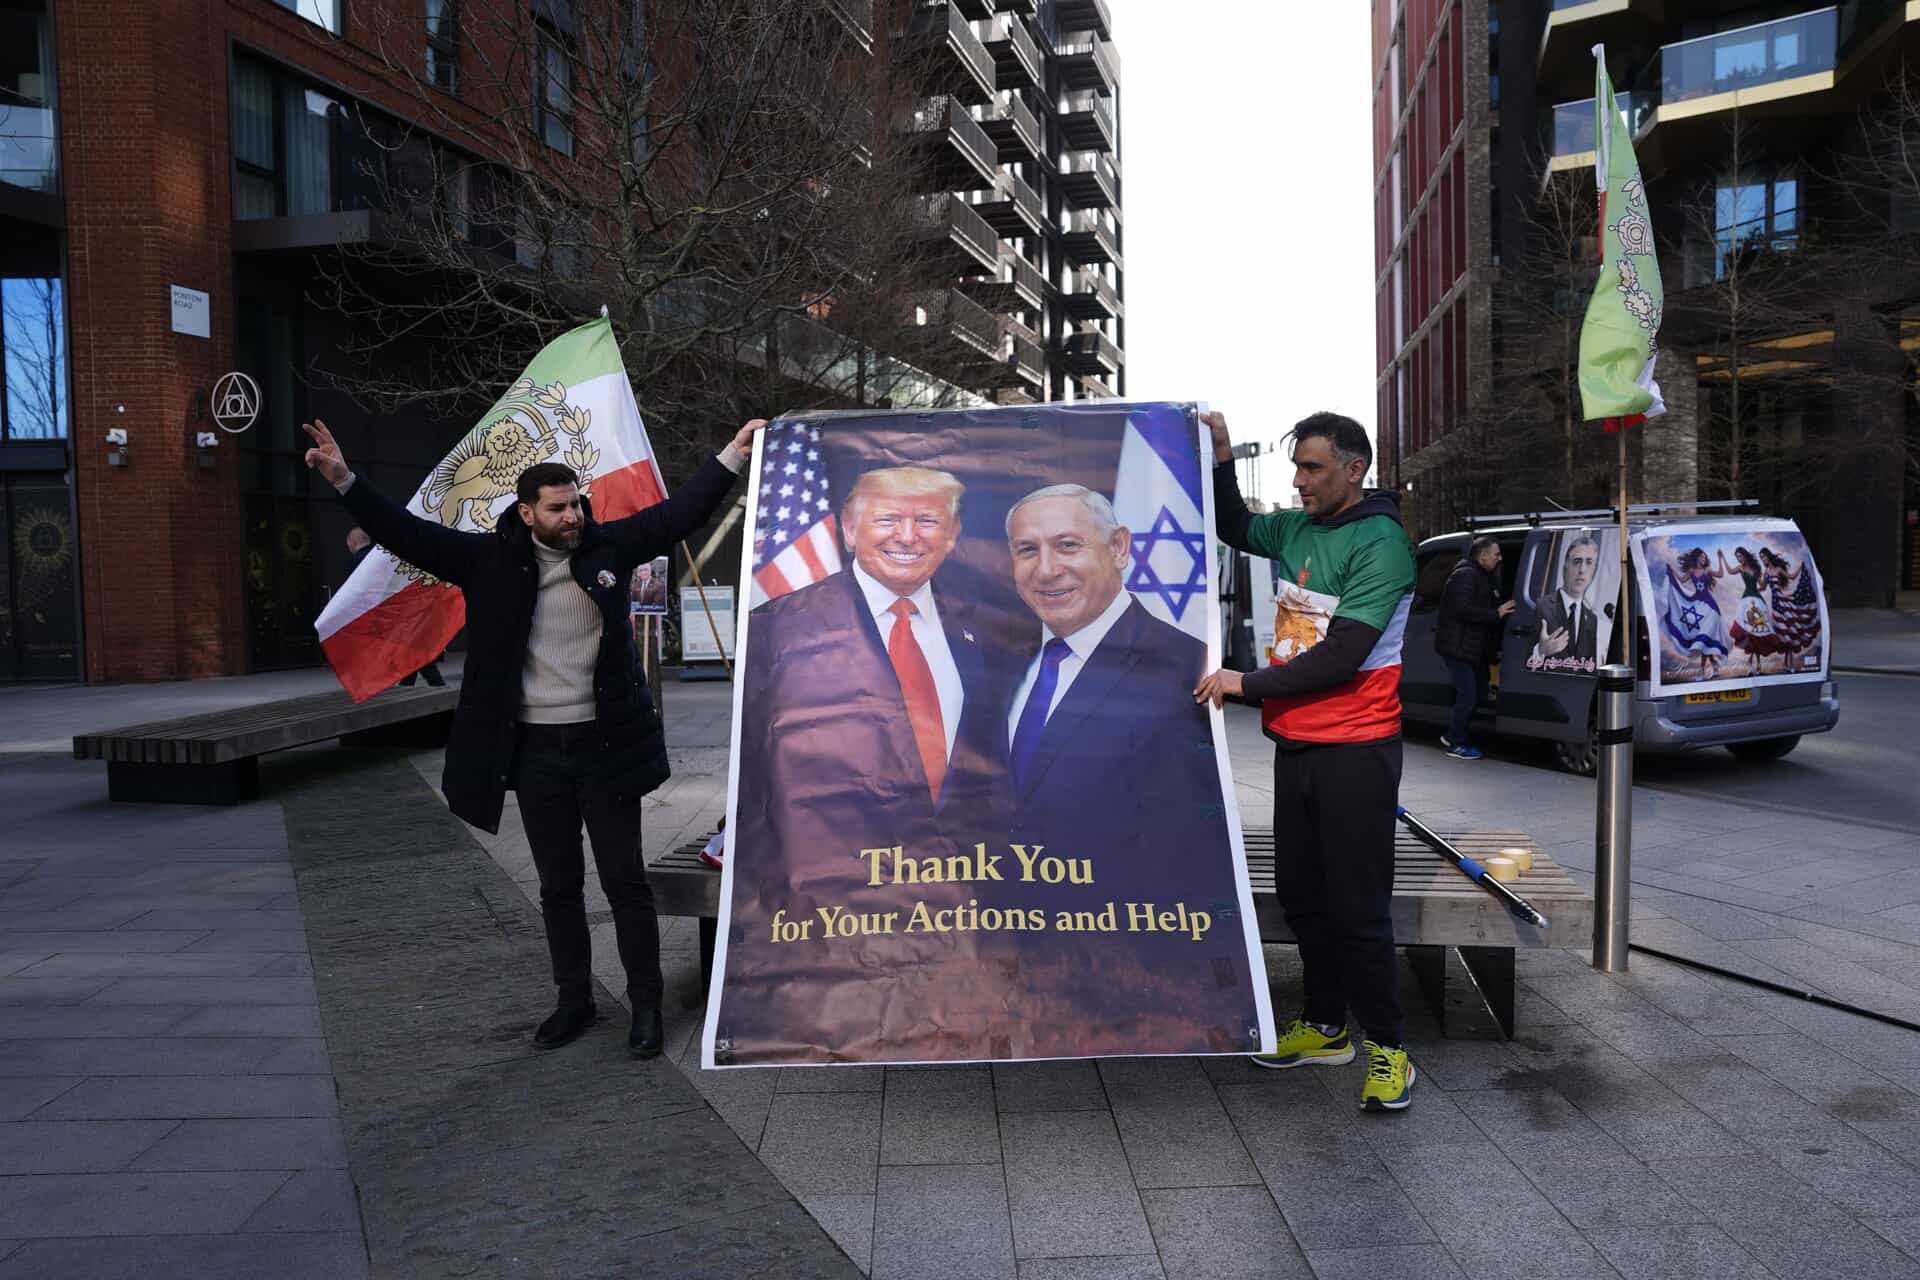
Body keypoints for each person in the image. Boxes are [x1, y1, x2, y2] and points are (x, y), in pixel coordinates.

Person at [302, 414, 764, 1058]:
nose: (573, 516)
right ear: (526, 513)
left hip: (605, 748)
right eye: (558, 508)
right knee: (557, 884)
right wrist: (344, 479)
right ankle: (573, 1001)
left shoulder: (608, 547)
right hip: (536, 751)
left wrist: (731, 457)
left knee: (625, 883)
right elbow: (405, 533)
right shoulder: (486, 562)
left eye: (577, 503)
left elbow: (676, 516)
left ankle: (646, 1007)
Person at [717, 465, 1005, 1062]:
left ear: (951, 535)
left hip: (963, 892)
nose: (908, 535)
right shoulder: (776, 630)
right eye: (887, 519)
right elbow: (758, 770)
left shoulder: (991, 629)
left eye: (927, 520)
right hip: (834, 908)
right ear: (850, 528)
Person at [1194, 410, 1418, 1113]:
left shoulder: (1383, 544)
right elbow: (1233, 525)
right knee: (1303, 899)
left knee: (1357, 908)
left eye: (1314, 468)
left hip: (1358, 748)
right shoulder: (1296, 528)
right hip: (1298, 745)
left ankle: (1389, 1048)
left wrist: (1241, 682)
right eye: (1296, 468)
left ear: (1355, 469)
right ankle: (1326, 1027)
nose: (1298, 482)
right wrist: (1224, 459)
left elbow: (1343, 655)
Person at [996, 484, 1257, 1056]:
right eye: (1026, 550)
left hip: (1128, 978)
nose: (1046, 570)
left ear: (1118, 547)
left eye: (1067, 545)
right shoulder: (996, 662)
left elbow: (1189, 833)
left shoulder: (1184, 667)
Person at [1433, 536, 1513, 760]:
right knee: (1467, 696)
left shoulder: (1483, 576)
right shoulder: (1465, 575)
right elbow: (1463, 609)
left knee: (1478, 693)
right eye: (1496, 554)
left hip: (1471, 649)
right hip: (1458, 647)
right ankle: (1455, 743)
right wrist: (1495, 613)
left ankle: (1454, 735)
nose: (1500, 558)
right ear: (1483, 555)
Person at [1530, 533, 1601, 671]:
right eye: (1576, 561)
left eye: (1589, 562)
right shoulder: (1542, 605)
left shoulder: (1592, 619)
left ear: (1594, 571)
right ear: (1565, 566)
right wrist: (1541, 651)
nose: (1582, 570)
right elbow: (1520, 659)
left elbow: (1588, 666)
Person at [1722, 545, 1781, 675]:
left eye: (1740, 556)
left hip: (1757, 599)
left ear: (1744, 555)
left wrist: (1765, 577)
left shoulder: (1756, 568)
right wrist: (1722, 558)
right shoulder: (1740, 568)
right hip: (1746, 601)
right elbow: (1730, 571)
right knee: (1748, 631)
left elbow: (1762, 586)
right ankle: (1751, 664)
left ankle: (1757, 664)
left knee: (1759, 632)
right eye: (1737, 557)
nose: (1739, 559)